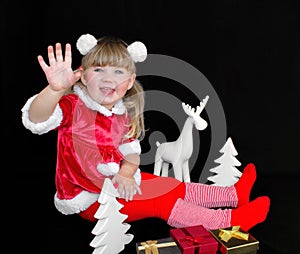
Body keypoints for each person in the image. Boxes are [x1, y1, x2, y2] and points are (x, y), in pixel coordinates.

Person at [21, 33, 270, 231]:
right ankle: (225, 221)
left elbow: (130, 153)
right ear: (83, 77)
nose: (108, 79)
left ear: (129, 82)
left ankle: (231, 195)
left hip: (118, 183)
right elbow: (37, 118)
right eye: (98, 70)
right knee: (163, 201)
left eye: (118, 72)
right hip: (91, 199)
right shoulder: (73, 106)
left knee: (170, 186)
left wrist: (128, 173)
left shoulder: (121, 113)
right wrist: (55, 90)